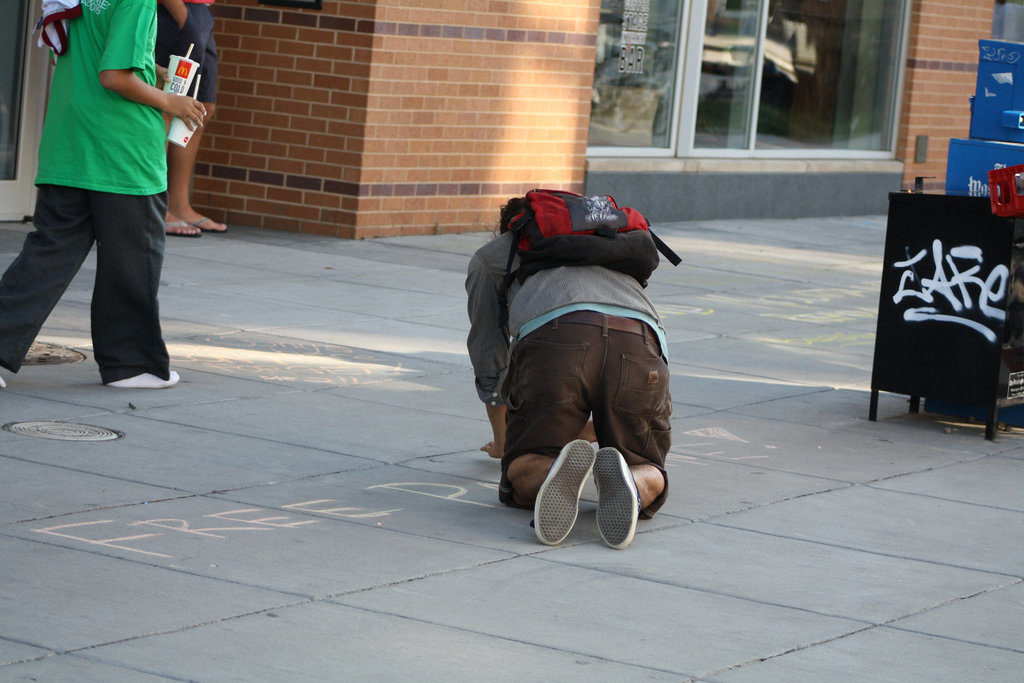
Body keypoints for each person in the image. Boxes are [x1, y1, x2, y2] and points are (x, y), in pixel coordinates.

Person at [0, 0, 207, 389]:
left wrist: (153, 72)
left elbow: (92, 54)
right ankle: (132, 365)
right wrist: (171, 101)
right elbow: (113, 76)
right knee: (133, 259)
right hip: (122, 152)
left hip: (70, 141)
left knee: (47, 254)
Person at [465, 196, 672, 549]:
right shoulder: (612, 243)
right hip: (640, 342)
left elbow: (489, 353)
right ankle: (634, 483)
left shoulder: (498, 253)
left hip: (557, 340)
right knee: (645, 462)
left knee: (524, 468)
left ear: (515, 226)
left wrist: (506, 442)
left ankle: (549, 472)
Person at [156, 0, 226, 237]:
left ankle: (179, 205)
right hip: (176, 11)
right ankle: (157, 207)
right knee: (167, 103)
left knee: (202, 105)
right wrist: (182, 16)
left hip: (200, 11)